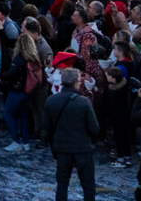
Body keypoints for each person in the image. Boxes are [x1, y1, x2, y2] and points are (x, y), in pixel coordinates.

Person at [41, 67, 101, 201]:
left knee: (62, 184)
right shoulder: (84, 102)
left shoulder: (51, 101)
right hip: (82, 149)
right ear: (76, 82)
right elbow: (95, 129)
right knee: (88, 185)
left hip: (62, 148)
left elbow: (45, 128)